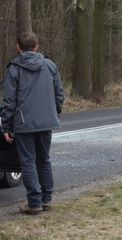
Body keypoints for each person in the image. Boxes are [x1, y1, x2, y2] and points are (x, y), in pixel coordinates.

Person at [0, 32, 64, 215]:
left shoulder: (14, 69)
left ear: (18, 47)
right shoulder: (50, 66)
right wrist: (54, 113)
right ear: (36, 47)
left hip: (23, 123)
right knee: (44, 161)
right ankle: (46, 200)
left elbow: (9, 101)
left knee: (28, 163)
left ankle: (34, 202)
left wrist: (6, 126)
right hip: (46, 122)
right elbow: (59, 94)